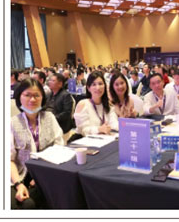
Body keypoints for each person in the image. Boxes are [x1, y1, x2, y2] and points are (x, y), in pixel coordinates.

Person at [11, 78, 64, 209]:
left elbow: (59, 149)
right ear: (19, 97)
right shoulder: (13, 123)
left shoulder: (50, 118)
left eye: (36, 95)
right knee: (25, 205)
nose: (32, 99)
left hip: (47, 173)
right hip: (20, 175)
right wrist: (18, 184)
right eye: (27, 95)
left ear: (42, 98)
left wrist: (42, 176)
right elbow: (9, 159)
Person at [73, 71, 118, 135]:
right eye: (94, 84)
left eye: (100, 84)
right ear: (88, 88)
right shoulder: (83, 104)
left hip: (104, 138)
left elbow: (114, 124)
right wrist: (99, 129)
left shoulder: (108, 105)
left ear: (105, 86)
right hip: (84, 139)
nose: (98, 88)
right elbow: (82, 130)